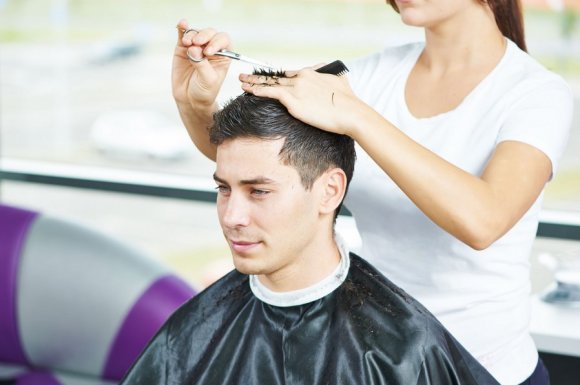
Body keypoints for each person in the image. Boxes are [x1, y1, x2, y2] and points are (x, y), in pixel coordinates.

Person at [171, 1, 574, 384]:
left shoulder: (536, 94)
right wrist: (196, 102)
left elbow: (484, 220)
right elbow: (261, 168)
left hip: (484, 370)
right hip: (378, 361)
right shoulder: (371, 76)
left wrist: (356, 116)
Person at [119, 85, 500, 385]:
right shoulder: (191, 334)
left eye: (259, 191)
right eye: (224, 189)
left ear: (329, 191)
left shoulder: (403, 351)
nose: (232, 216)